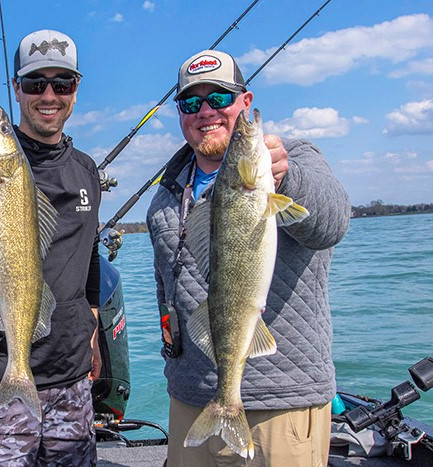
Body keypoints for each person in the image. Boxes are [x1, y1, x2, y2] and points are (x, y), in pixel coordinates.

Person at [146, 49, 351, 467]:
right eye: (191, 102)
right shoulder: (166, 196)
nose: (206, 111)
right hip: (190, 400)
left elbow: (332, 222)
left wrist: (287, 178)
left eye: (219, 98)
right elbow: (167, 293)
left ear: (246, 102)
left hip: (282, 401)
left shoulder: (294, 160)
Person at [0, 29, 102, 466]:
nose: (49, 95)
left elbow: (89, 258)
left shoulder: (87, 170)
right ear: (17, 89)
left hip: (70, 376)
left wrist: (95, 332)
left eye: (61, 83)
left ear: (75, 90)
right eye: (34, 84)